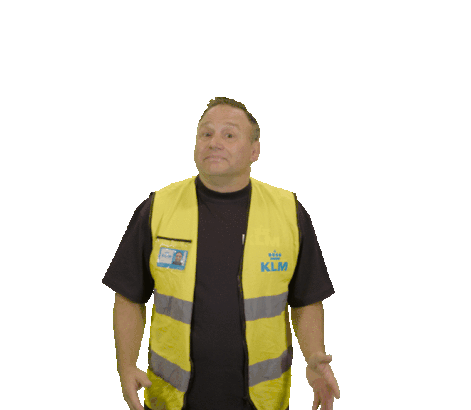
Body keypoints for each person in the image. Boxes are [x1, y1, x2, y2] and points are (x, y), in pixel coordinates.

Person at [102, 97, 340, 410]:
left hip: (261, 402)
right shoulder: (158, 208)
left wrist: (314, 356)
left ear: (254, 151)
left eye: (229, 134)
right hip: (172, 400)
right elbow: (128, 296)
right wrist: (126, 366)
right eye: (206, 133)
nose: (214, 142)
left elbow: (307, 299)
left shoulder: (288, 212)